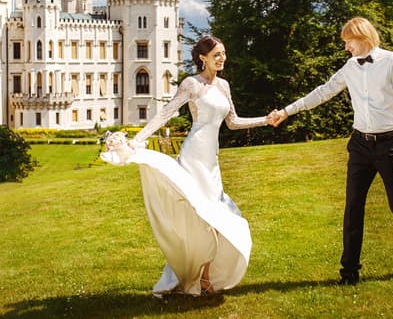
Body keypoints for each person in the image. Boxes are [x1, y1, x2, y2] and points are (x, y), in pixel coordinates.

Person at [269, 17, 393, 284]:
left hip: (390, 144)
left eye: (348, 42)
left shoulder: (392, 62)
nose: (346, 47)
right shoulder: (350, 67)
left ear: (361, 37)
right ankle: (349, 273)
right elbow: (322, 92)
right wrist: (287, 111)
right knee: (353, 208)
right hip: (360, 145)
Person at [101, 35, 270, 297]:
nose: (222, 58)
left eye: (223, 53)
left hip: (211, 161)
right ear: (203, 58)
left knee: (216, 219)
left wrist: (265, 120)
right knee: (203, 218)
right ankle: (201, 280)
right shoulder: (192, 84)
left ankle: (202, 278)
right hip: (194, 156)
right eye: (216, 55)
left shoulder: (224, 86)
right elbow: (166, 112)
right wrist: (137, 139)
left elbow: (233, 122)